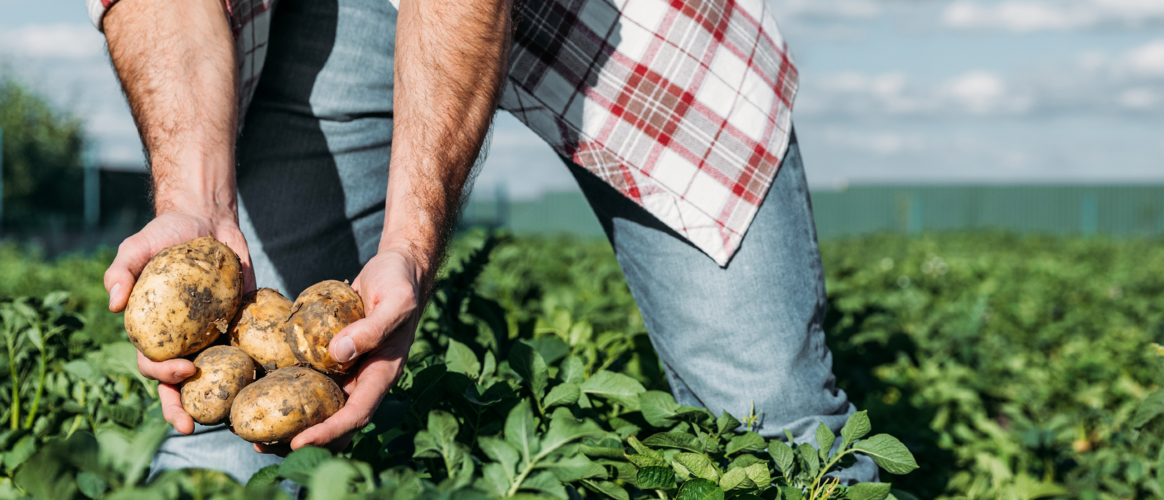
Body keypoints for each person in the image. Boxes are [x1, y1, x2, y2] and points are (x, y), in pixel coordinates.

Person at [89, 0, 879, 487]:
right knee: (226, 450)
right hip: (339, 16)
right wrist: (196, 204)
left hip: (628, 25)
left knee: (770, 419)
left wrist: (409, 248)